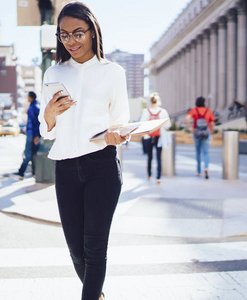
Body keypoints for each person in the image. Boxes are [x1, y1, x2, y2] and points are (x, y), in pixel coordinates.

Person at [38, 3, 129, 299]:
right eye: (64, 35)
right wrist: (50, 112)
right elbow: (44, 129)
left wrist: (117, 134)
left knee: (94, 247)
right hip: (65, 167)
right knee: (76, 250)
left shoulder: (112, 72)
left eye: (78, 33)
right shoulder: (53, 72)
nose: (71, 41)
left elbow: (121, 122)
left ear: (92, 31)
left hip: (101, 165)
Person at [139, 92, 171, 184]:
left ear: (150, 101)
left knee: (149, 157)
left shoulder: (146, 111)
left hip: (149, 137)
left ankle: (149, 175)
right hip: (159, 137)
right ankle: (158, 177)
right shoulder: (163, 112)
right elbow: (167, 125)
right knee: (158, 157)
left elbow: (142, 123)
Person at [12, 91, 40, 180]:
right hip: (31, 133)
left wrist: (36, 135)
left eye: (28, 96)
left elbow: (37, 123)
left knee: (28, 153)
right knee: (32, 153)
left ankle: (21, 172)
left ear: (31, 97)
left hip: (31, 134)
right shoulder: (34, 106)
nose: (27, 98)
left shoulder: (34, 107)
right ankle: (34, 172)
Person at [186, 96, 215, 179]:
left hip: (197, 133)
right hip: (206, 133)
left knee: (198, 152)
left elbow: (187, 118)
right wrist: (211, 131)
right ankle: (206, 167)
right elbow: (212, 123)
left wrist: (190, 128)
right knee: (206, 153)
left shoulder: (194, 110)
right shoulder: (208, 111)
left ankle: (198, 171)